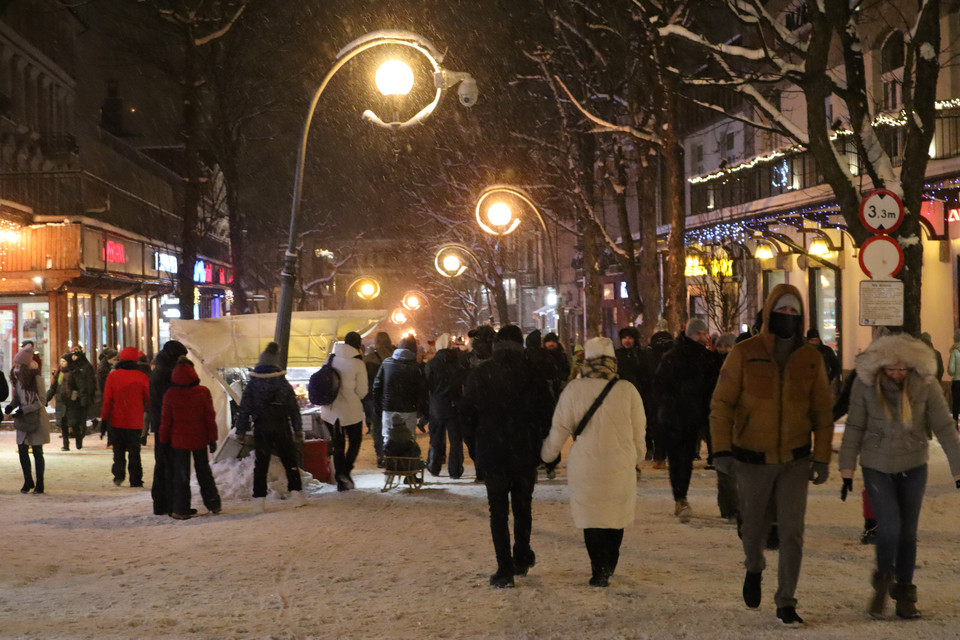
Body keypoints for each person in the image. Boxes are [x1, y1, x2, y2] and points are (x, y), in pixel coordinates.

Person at [710, 284, 834, 626]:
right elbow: (722, 405)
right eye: (783, 312)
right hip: (752, 459)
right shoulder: (745, 353)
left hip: (795, 460)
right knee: (753, 529)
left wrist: (822, 457)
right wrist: (721, 450)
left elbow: (822, 412)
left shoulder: (811, 359)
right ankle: (754, 566)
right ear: (769, 313)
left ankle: (786, 600)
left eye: (795, 313)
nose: (788, 319)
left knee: (792, 532)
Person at [838, 333, 960, 619]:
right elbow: (854, 427)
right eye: (891, 368)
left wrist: (957, 469)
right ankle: (882, 581)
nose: (897, 374)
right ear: (880, 366)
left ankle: (905, 591)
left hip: (914, 464)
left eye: (902, 368)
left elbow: (944, 428)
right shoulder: (866, 385)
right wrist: (846, 470)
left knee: (908, 533)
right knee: (890, 527)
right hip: (877, 465)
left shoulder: (925, 386)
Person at [541, 337, 646, 587]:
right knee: (614, 517)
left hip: (585, 465)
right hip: (619, 463)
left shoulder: (573, 390)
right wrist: (636, 456)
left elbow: (559, 429)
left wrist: (547, 455)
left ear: (586, 360)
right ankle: (610, 562)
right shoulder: (627, 390)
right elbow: (639, 431)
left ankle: (598, 568)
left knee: (592, 519)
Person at [460, 325, 553, 588]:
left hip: (493, 452)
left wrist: (475, 447)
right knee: (523, 507)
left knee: (498, 511)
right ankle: (521, 555)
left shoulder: (481, 374)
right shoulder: (532, 374)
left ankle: (504, 569)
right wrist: (536, 440)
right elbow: (547, 413)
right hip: (524, 452)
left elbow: (466, 414)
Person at [655, 318, 720, 523]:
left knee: (686, 459)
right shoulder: (674, 357)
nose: (702, 337)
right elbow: (661, 386)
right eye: (698, 333)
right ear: (690, 334)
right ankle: (680, 497)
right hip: (677, 416)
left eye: (704, 333)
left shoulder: (706, 358)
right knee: (678, 458)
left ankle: (681, 496)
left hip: (693, 415)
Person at [234, 342, 306, 513]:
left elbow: (244, 409)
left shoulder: (252, 385)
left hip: (262, 427)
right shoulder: (282, 383)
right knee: (289, 461)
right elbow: (293, 408)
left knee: (261, 464)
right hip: (282, 425)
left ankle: (259, 500)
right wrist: (298, 429)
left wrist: (241, 431)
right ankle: (296, 495)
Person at [159, 357, 221, 519]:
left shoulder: (170, 394)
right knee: (204, 472)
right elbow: (210, 418)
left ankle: (181, 509)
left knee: (181, 475)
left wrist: (164, 441)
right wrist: (212, 438)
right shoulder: (203, 392)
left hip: (178, 442)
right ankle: (213, 503)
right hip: (199, 439)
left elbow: (166, 422)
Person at [320, 332, 368, 491]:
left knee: (338, 445)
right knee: (355, 441)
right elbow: (362, 391)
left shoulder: (330, 359)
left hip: (330, 410)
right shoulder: (358, 363)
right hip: (350, 410)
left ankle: (341, 480)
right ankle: (345, 471)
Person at [101, 347, 150, 488]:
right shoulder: (142, 377)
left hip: (117, 420)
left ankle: (119, 475)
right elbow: (149, 399)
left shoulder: (113, 376)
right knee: (135, 452)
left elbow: (107, 400)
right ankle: (135, 479)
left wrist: (104, 418)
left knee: (119, 450)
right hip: (135, 421)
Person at [149, 340, 187, 515]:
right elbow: (169, 401)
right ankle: (168, 504)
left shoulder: (160, 369)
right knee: (169, 465)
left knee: (163, 464)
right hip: (167, 425)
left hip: (161, 424)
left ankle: (162, 503)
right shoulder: (167, 373)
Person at [372, 335, 428, 454]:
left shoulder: (386, 363)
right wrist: (422, 410)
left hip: (388, 407)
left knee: (388, 438)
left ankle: (390, 464)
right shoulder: (417, 368)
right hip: (409, 409)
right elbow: (422, 391)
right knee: (409, 439)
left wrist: (378, 407)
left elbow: (376, 387)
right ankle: (407, 465)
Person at [6, 345, 48, 494]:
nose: (16, 368)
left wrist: (24, 410)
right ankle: (28, 480)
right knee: (22, 451)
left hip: (36, 419)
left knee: (37, 451)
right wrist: (11, 406)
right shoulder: (19, 380)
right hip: (23, 420)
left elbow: (41, 400)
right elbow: (18, 397)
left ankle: (40, 483)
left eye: (19, 365)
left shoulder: (36, 379)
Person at [424, 333, 467, 478]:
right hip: (454, 404)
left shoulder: (432, 364)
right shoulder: (457, 362)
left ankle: (434, 466)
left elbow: (426, 386)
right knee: (456, 440)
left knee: (436, 438)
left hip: (437, 405)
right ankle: (455, 470)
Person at [363, 331, 393, 465]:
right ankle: (393, 453)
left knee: (378, 427)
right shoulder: (395, 356)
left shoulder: (369, 359)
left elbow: (366, 382)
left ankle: (381, 455)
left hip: (374, 398)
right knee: (393, 426)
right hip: (392, 397)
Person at [645, 331, 674, 468]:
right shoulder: (651, 356)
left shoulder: (653, 356)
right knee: (659, 428)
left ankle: (662, 457)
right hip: (658, 398)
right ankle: (660, 456)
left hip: (666, 397)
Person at [47, 352, 84, 451]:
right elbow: (53, 388)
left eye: (64, 361)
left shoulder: (74, 372)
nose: (62, 363)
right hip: (61, 401)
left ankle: (78, 439)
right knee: (63, 424)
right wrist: (46, 399)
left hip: (72, 402)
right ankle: (65, 444)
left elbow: (80, 387)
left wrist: (74, 396)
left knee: (74, 423)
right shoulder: (59, 373)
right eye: (61, 361)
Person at [94, 347, 118, 441]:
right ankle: (110, 439)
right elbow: (103, 383)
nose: (115, 361)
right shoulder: (103, 368)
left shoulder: (106, 366)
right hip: (105, 395)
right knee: (109, 418)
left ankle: (110, 439)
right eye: (114, 359)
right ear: (109, 358)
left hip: (106, 395)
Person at [948, 329, 960, 423]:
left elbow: (951, 370)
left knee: (956, 403)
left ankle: (955, 424)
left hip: (957, 381)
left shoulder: (954, 352)